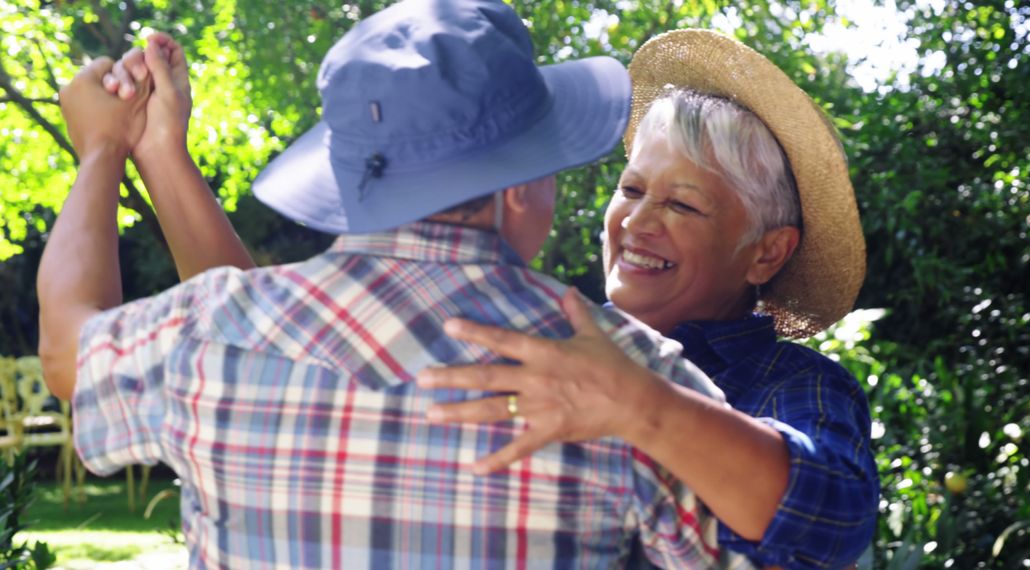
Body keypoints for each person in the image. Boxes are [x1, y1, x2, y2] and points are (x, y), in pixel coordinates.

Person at [37, 1, 756, 567]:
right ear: (516, 189)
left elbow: (69, 350)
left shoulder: (210, 333)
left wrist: (104, 151)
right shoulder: (631, 383)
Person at [418, 30, 878, 569]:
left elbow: (834, 524)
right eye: (632, 190)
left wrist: (642, 405)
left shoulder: (793, 382)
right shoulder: (549, 343)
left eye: (682, 206)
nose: (636, 223)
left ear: (767, 254)